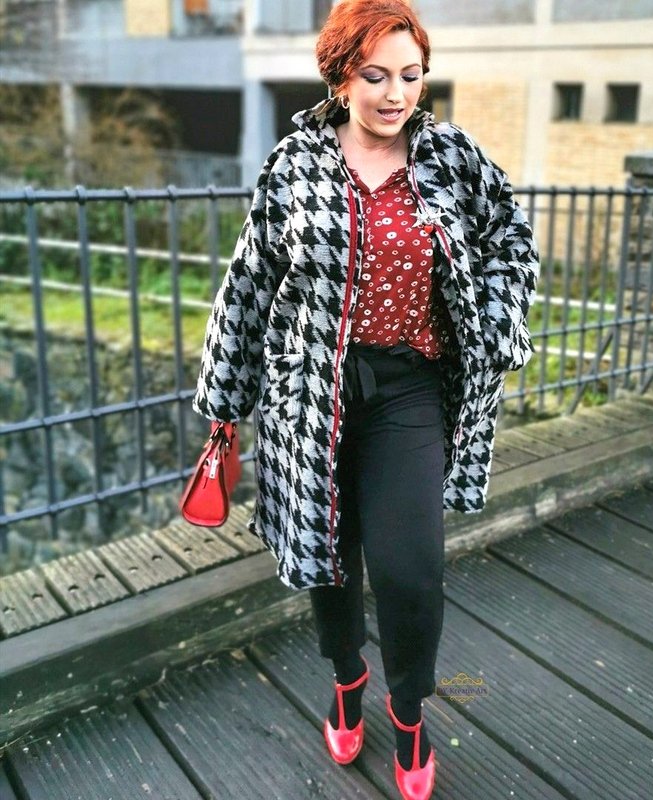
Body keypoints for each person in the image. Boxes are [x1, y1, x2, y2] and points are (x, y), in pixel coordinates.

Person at [192, 1, 539, 797]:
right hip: (311, 391)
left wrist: (497, 321)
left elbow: (509, 240)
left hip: (409, 388)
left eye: (410, 76)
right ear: (341, 76)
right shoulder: (294, 164)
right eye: (376, 75)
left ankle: (409, 709)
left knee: (409, 568)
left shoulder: (452, 158)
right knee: (329, 556)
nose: (395, 94)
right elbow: (249, 283)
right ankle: (347, 677)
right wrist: (225, 398)